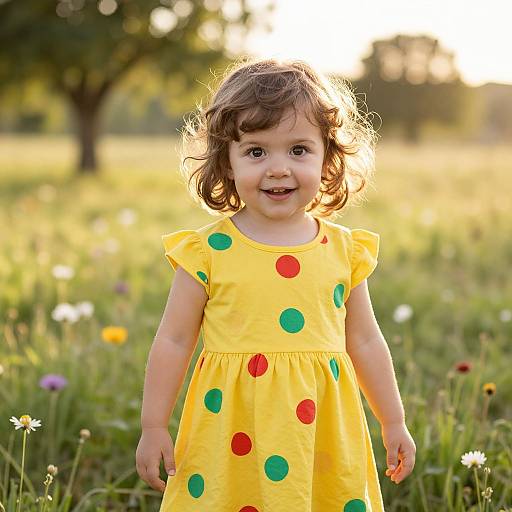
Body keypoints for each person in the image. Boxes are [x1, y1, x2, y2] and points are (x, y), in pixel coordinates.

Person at [136, 57, 416, 511]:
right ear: (226, 161)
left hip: (320, 429)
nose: (278, 168)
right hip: (232, 427)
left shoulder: (343, 250)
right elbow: (174, 339)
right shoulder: (208, 251)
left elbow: (364, 340)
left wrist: (393, 420)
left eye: (299, 150)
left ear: (329, 156)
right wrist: (153, 426)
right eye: (256, 151)